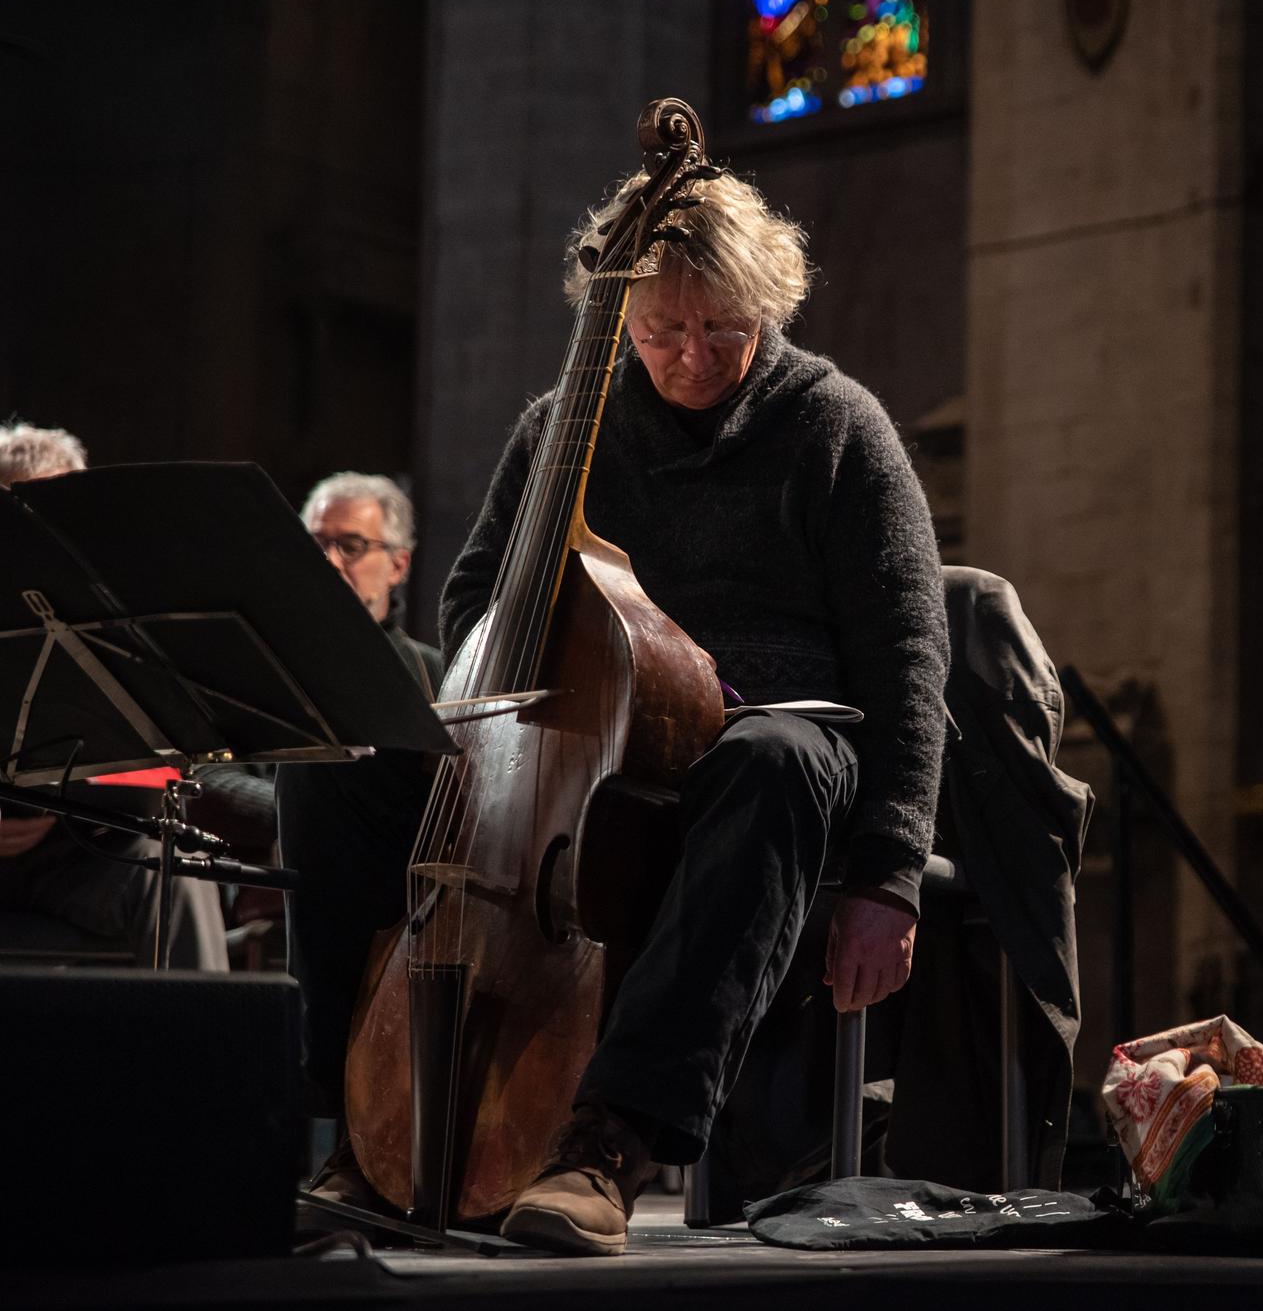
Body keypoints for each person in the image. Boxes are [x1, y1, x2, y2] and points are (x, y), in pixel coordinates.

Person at [308, 166, 948, 1257]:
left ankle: (609, 1143)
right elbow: (472, 604)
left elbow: (908, 658)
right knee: (332, 770)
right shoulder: (565, 423)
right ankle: (351, 1136)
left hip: (762, 756)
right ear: (620, 316)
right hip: (581, 769)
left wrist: (888, 870)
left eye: (720, 328)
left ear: (769, 306)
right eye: (660, 331)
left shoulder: (836, 426)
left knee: (775, 760)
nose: (691, 356)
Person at [0, 420, 229, 969]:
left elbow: (163, 774)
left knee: (177, 876)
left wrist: (63, 798)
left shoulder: (121, 621)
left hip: (73, 855)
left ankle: (212, 1052)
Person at [277, 473, 442, 1114]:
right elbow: (213, 769)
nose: (327, 561)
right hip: (298, 846)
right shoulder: (266, 664)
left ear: (398, 563)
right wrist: (287, 811)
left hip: (400, 870)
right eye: (314, 543)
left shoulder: (432, 671)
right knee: (312, 781)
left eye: (349, 545)